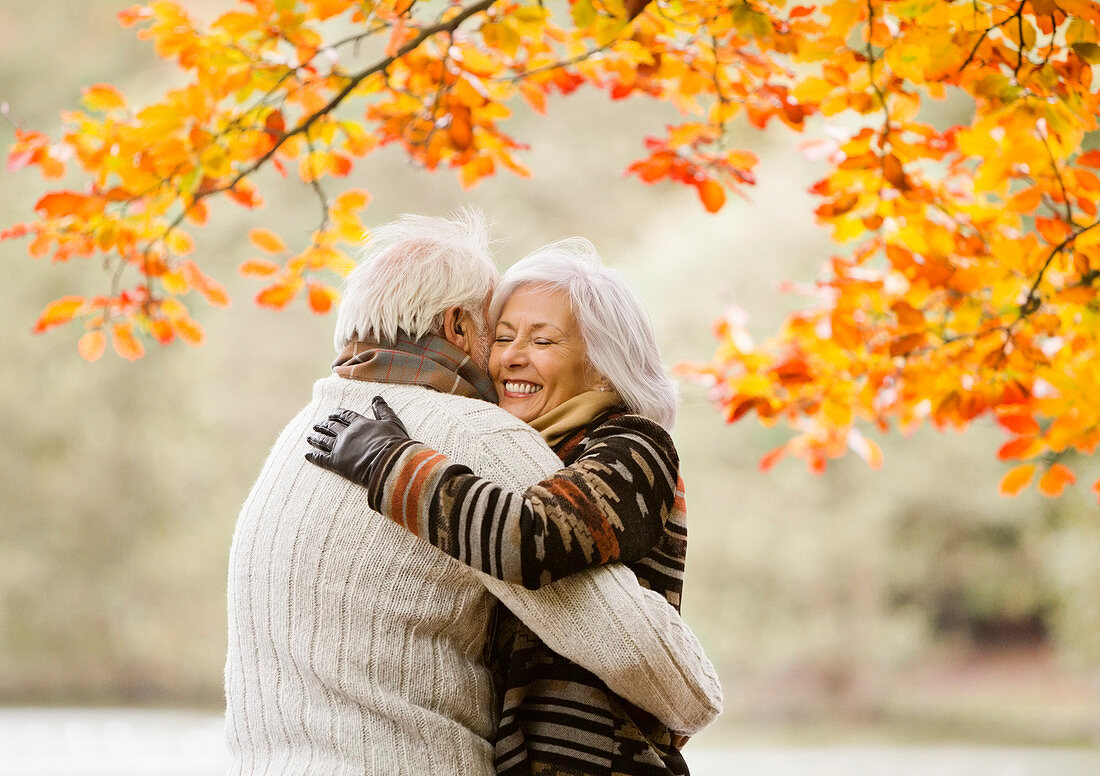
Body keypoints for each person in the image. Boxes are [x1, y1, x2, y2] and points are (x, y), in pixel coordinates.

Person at [225, 211, 722, 775]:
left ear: (603, 363)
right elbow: (624, 643)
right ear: (461, 326)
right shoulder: (480, 436)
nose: (508, 356)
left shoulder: (305, 430)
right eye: (502, 333)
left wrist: (392, 464)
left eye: (543, 340)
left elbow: (532, 535)